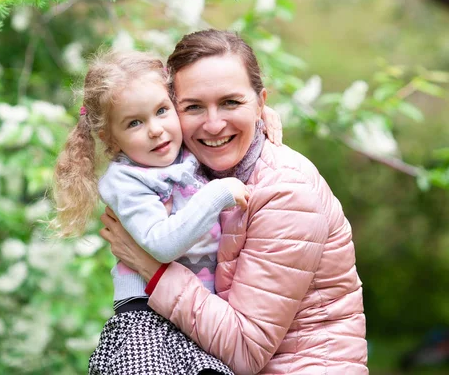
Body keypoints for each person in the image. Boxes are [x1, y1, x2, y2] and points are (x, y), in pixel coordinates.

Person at [100, 30, 368, 375]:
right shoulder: (197, 171)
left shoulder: (287, 192)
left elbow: (244, 349)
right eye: (193, 106)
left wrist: (151, 267)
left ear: (260, 103)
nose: (213, 125)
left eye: (231, 102)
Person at [51, 50, 283, 375]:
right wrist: (218, 193)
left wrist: (260, 116)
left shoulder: (181, 152)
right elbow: (161, 244)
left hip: (194, 311)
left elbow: (218, 129)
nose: (155, 129)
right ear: (109, 137)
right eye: (134, 122)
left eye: (162, 111)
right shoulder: (127, 180)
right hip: (148, 317)